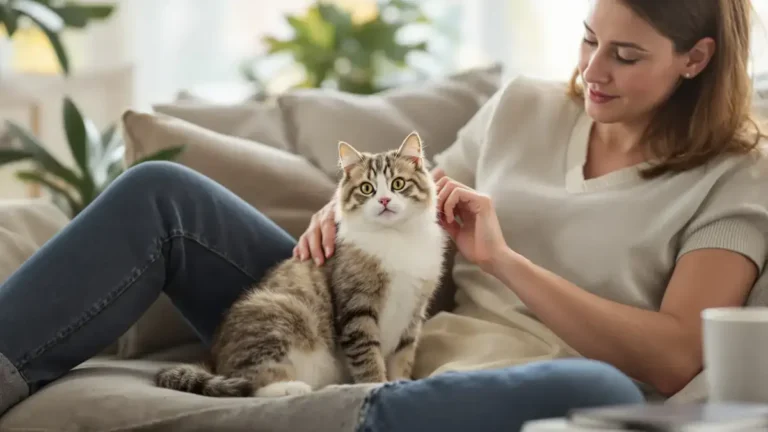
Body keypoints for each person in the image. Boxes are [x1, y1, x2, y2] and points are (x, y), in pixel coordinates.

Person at [0, 0, 765, 429]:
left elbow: (675, 358)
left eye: (625, 57)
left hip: (515, 378)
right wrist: (342, 217)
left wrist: (505, 261)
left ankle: (355, 414)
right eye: (589, 40)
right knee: (160, 194)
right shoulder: (528, 106)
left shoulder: (736, 176)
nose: (590, 73)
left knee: (604, 392)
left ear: (696, 59)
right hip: (383, 332)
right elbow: (413, 192)